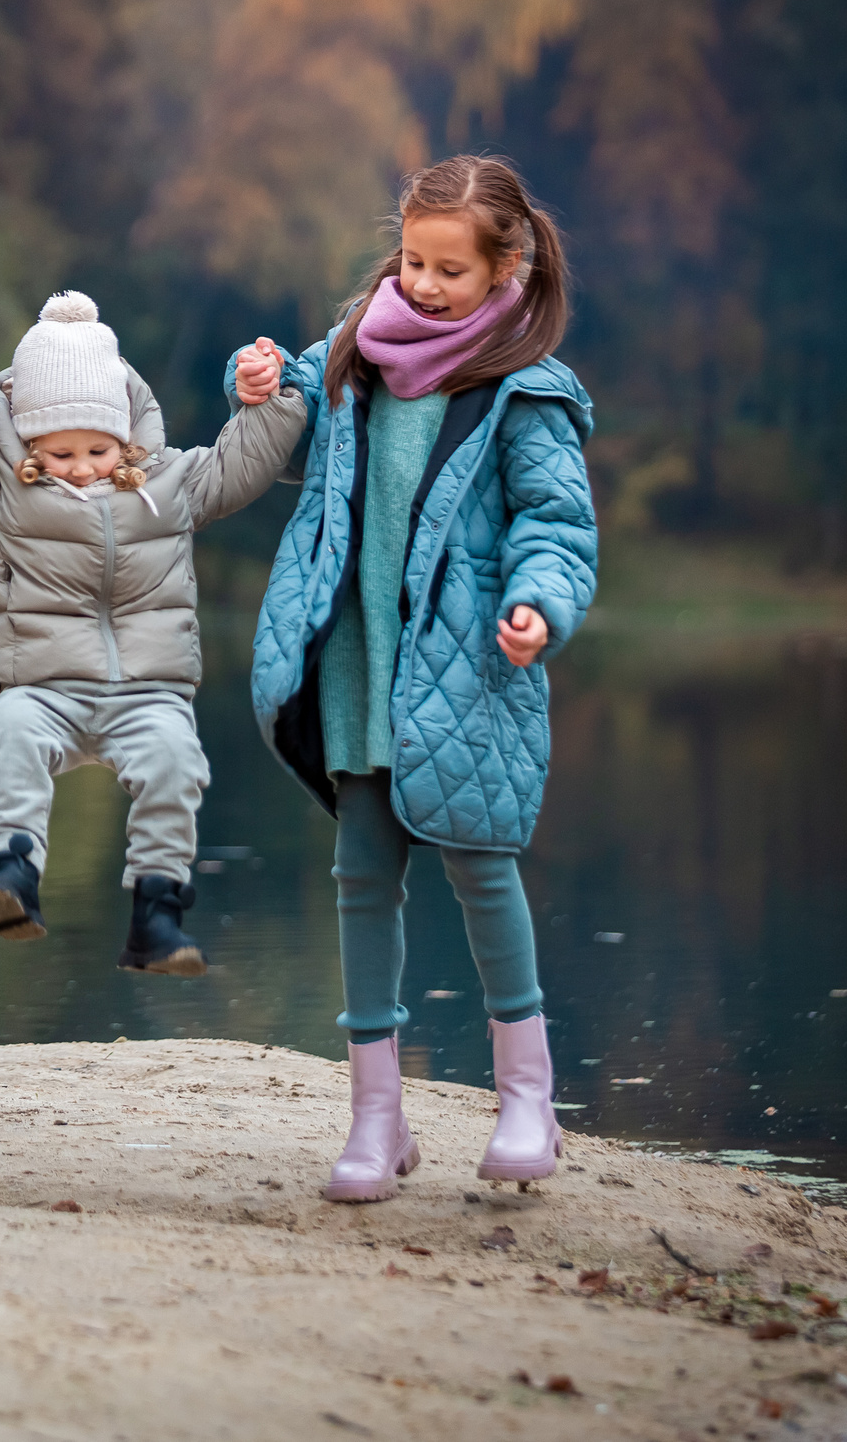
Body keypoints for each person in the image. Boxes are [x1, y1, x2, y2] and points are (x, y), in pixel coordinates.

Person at [247, 155, 597, 1203]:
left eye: (451, 268)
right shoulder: (358, 354)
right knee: (361, 877)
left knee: (482, 870)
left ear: (504, 270)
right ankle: (376, 1117)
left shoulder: (521, 392)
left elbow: (556, 525)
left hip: (469, 665)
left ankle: (527, 1097)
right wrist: (258, 373)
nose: (426, 286)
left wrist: (539, 603)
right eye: (412, 262)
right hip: (359, 657)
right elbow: (287, 383)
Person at [0, 291, 304, 973]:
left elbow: (239, 466)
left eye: (98, 447)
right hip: (40, 683)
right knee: (6, 732)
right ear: (30, 441)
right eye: (61, 452)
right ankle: (12, 871)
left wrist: (267, 400)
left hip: (146, 691)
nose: (84, 466)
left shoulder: (167, 482)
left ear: (125, 435)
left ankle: (157, 910)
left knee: (177, 760)